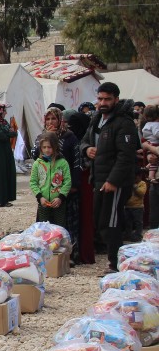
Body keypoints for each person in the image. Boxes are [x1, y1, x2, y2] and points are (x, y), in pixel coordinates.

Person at [79, 82, 141, 273]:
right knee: (101, 221)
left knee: (111, 222)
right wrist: (87, 149)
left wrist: (113, 181)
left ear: (116, 99)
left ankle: (115, 264)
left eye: (107, 99)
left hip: (115, 182)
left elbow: (126, 156)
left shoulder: (124, 123)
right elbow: (85, 141)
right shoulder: (97, 119)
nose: (102, 102)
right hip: (98, 178)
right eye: (100, 99)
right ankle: (119, 258)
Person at [41, 108, 82, 262]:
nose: (51, 122)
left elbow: (76, 162)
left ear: (60, 120)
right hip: (46, 190)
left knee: (65, 223)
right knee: (46, 224)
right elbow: (35, 156)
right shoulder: (42, 137)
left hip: (66, 188)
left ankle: (68, 255)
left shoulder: (69, 137)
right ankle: (47, 255)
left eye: (54, 119)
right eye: (48, 119)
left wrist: (73, 184)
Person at [65, 108, 96, 264]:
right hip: (83, 183)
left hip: (83, 183)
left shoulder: (79, 142)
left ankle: (82, 253)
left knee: (83, 218)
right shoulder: (82, 140)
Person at [30, 132, 71, 228]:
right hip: (43, 202)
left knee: (59, 228)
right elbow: (33, 182)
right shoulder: (37, 164)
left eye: (49, 147)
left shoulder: (62, 163)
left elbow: (67, 182)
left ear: (55, 147)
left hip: (58, 203)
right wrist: (40, 197)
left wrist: (60, 198)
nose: (47, 150)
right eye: (44, 147)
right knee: (43, 229)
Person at [125, 169, 147, 242]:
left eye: (136, 177)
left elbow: (141, 193)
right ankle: (128, 235)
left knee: (138, 222)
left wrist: (134, 186)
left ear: (140, 176)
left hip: (138, 207)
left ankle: (138, 235)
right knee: (128, 222)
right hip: (128, 206)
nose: (134, 179)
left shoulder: (142, 183)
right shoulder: (128, 184)